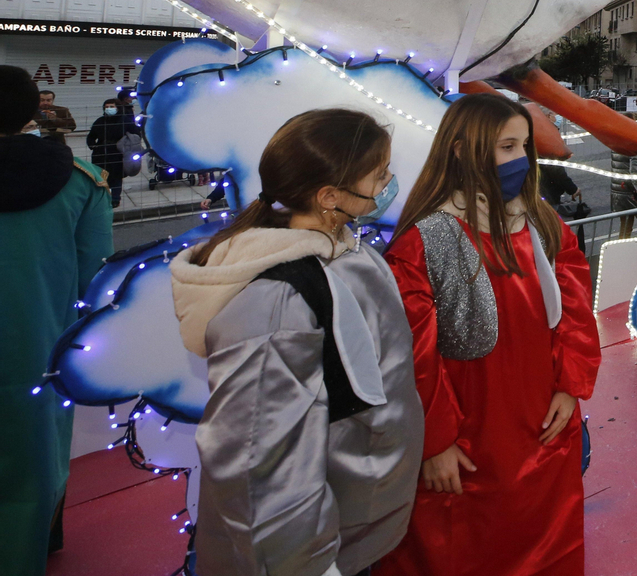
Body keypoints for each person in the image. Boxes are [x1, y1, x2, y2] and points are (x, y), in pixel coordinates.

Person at [169, 109, 424, 576]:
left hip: (349, 527)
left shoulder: (342, 248)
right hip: (307, 553)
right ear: (330, 196)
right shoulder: (278, 302)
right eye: (379, 173)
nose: (389, 182)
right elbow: (258, 464)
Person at [381, 93, 601, 576]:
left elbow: (576, 311)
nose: (520, 158)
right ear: (463, 149)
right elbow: (410, 356)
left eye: (523, 145)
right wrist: (435, 443)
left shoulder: (541, 222)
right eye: (506, 146)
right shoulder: (426, 240)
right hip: (469, 444)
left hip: (543, 428)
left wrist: (571, 384)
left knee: (548, 547)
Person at [0, 66, 112, 573]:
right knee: (35, 459)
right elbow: (96, 280)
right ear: (33, 112)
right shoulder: (82, 182)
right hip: (39, 351)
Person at [84, 98, 138, 207]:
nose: (109, 109)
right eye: (106, 107)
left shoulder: (125, 120)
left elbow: (135, 134)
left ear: (118, 108)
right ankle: (103, 197)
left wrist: (127, 146)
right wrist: (93, 146)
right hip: (101, 153)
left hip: (117, 153)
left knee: (116, 177)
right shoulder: (100, 121)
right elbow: (91, 136)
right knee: (101, 176)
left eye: (112, 107)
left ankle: (115, 199)